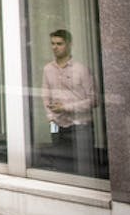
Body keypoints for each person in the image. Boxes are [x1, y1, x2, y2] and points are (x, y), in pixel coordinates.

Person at [42, 28, 97, 175]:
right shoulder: (48, 69)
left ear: (69, 45)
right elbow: (45, 95)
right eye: (52, 43)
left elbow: (94, 100)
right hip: (58, 126)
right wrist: (51, 118)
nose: (55, 47)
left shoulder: (81, 69)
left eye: (59, 43)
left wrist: (66, 107)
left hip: (80, 126)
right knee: (62, 169)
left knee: (83, 168)